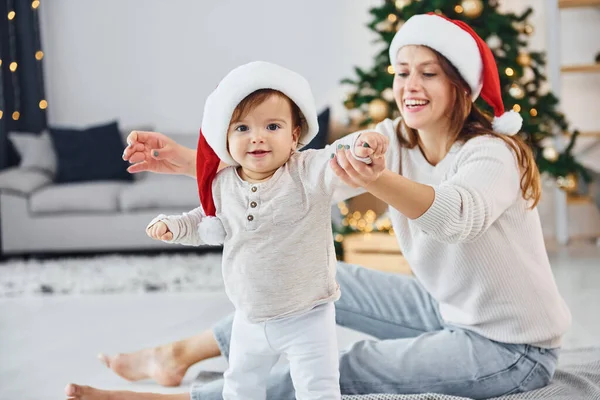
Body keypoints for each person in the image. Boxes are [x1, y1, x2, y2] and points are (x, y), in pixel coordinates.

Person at [65, 13, 571, 400]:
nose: (409, 86)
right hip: (446, 310)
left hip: (510, 346)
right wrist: (186, 160)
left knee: (343, 364)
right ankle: (178, 355)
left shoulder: (492, 153)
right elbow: (295, 175)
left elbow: (457, 216)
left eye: (429, 74)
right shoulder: (394, 137)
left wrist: (379, 177)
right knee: (326, 279)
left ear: (460, 84)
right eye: (401, 72)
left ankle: (189, 397)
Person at [144, 60, 385, 400]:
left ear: (294, 136)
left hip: (308, 316)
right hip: (249, 317)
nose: (256, 137)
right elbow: (205, 220)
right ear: (226, 139)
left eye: (272, 126)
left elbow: (337, 156)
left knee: (319, 388)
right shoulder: (224, 184)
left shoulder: (307, 173)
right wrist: (173, 226)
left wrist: (362, 145)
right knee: (240, 386)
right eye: (242, 128)